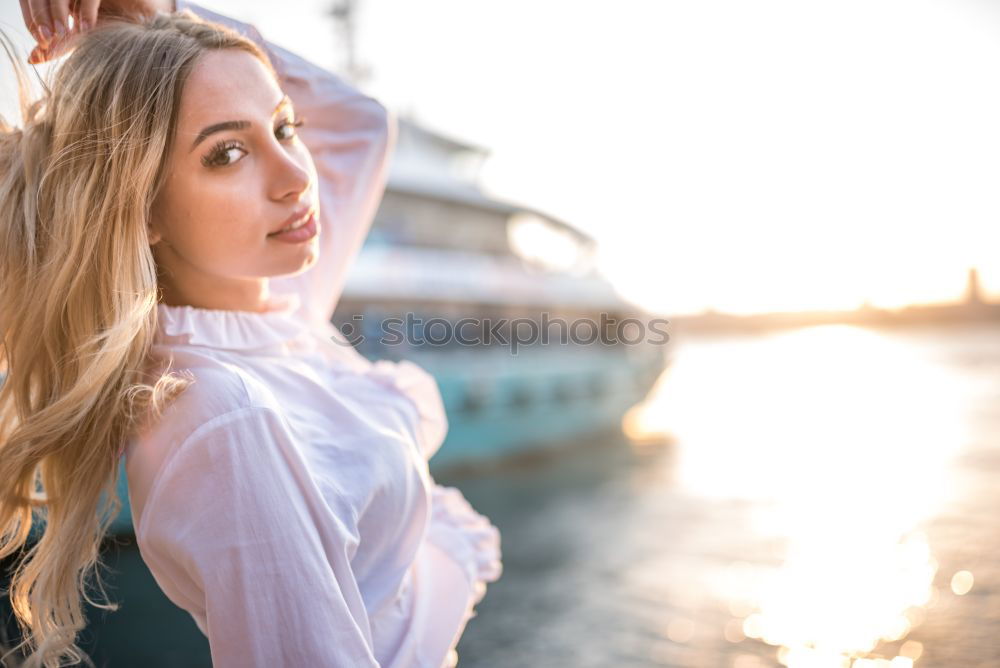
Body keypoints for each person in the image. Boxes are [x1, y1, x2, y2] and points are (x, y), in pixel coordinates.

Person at [0, 2, 502, 666]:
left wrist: (164, 13)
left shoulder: (272, 302)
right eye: (227, 153)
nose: (297, 178)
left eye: (285, 127)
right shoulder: (223, 417)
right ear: (142, 205)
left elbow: (362, 125)